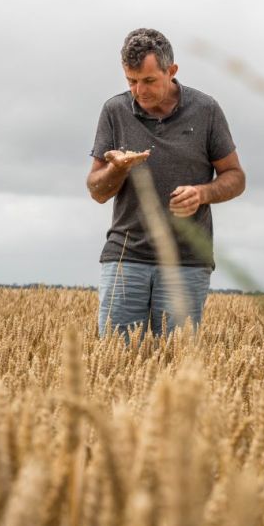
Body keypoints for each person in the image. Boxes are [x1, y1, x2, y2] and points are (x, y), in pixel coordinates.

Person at [87, 28, 245, 339]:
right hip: (125, 256)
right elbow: (96, 191)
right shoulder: (114, 111)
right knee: (112, 363)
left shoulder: (206, 110)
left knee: (176, 369)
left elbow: (236, 177)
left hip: (186, 262)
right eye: (131, 81)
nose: (138, 91)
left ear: (171, 71)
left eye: (148, 81)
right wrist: (116, 169)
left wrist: (202, 193)